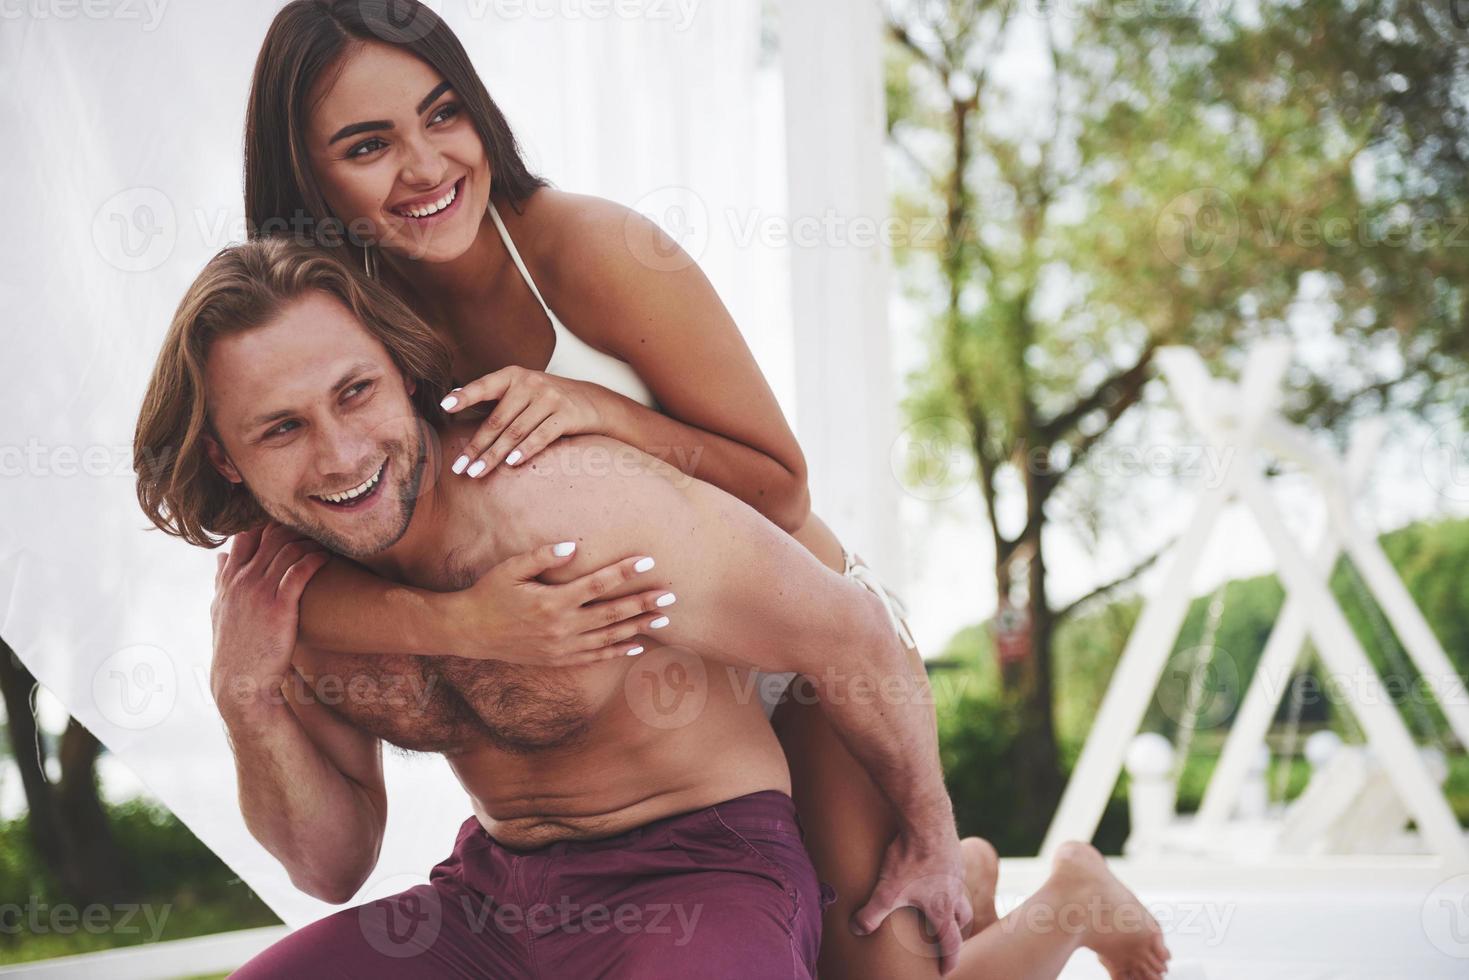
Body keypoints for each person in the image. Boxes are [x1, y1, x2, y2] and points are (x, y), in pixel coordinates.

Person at [226, 3, 1170, 977]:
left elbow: (779, 480)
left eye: (442, 112)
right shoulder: (331, 335)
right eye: (368, 143)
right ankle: (964, 898)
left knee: (880, 977)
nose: (424, 165)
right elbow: (306, 574)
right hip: (637, 695)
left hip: (796, 641)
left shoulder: (584, 248)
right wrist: (477, 626)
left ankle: (1060, 900)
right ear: (307, 177)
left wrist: (602, 410)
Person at [134, 237, 971, 978]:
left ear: (404, 370)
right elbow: (333, 868)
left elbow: (852, 632)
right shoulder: (289, 598)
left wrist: (931, 838)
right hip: (493, 899)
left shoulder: (564, 503)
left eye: (355, 393)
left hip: (699, 874)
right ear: (227, 458)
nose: (341, 454)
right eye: (281, 429)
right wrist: (244, 699)